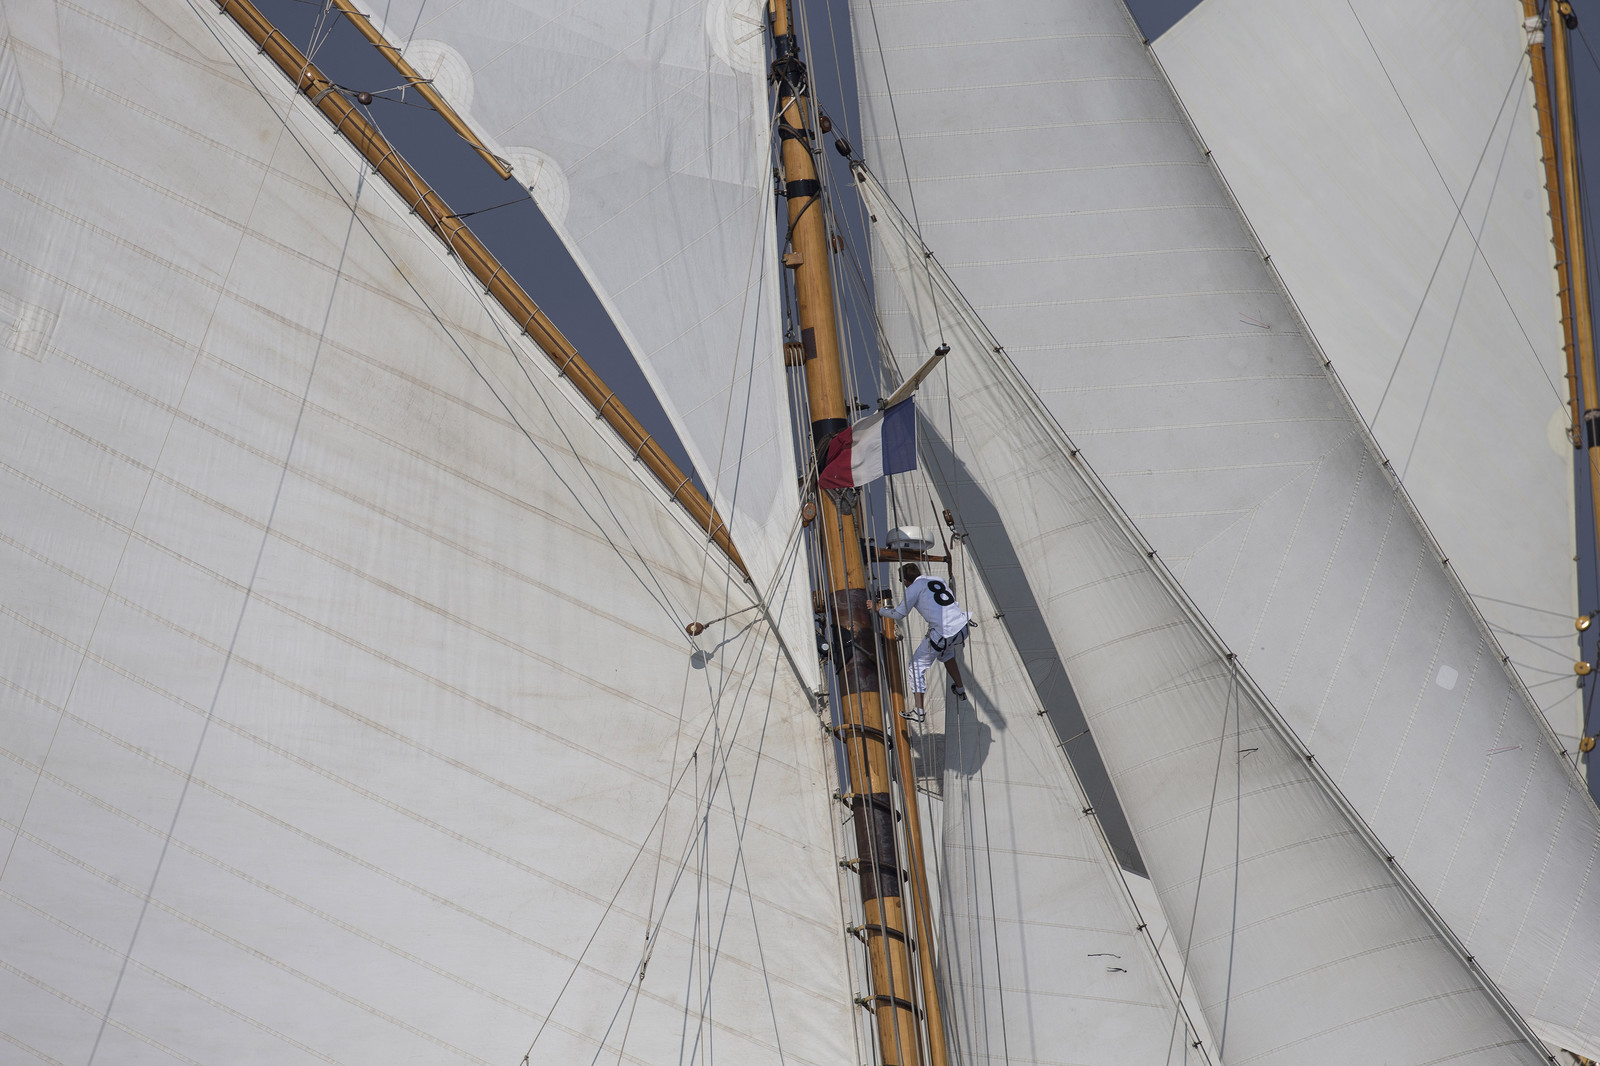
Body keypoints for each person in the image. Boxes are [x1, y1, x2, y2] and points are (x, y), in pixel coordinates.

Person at [879, 563, 971, 722]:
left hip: (944, 632)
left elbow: (899, 614)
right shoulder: (937, 579)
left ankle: (919, 712)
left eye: (903, 581)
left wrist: (878, 609)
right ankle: (960, 688)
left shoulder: (913, 588)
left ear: (906, 580)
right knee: (946, 654)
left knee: (915, 665)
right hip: (962, 627)